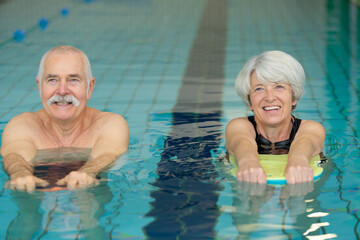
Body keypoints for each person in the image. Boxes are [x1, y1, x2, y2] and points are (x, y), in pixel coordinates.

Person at [1, 45, 129, 192]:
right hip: (38, 195)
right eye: (52, 80)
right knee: (24, 197)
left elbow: (107, 155)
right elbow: (15, 156)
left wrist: (87, 172)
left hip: (90, 196)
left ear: (90, 87)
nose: (62, 91)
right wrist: (20, 174)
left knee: (87, 199)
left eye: (73, 80)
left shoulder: (110, 125)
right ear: (39, 87)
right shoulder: (21, 126)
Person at [225, 50, 325, 184]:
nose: (270, 97)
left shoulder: (311, 128)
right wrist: (248, 162)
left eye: (279, 86)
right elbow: (242, 142)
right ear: (249, 102)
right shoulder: (239, 126)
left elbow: (305, 142)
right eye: (259, 89)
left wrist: (298, 161)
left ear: (293, 97)